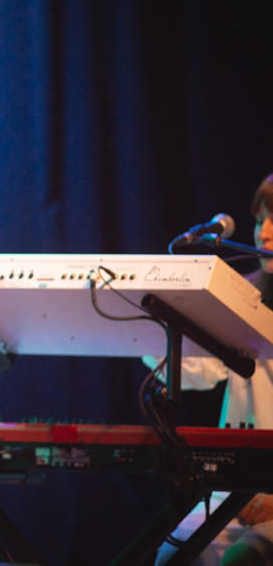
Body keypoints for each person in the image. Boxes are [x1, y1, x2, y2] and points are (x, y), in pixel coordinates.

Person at [149, 171, 273, 566]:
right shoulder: (245, 299)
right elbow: (198, 371)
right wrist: (156, 327)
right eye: (259, 220)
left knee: (243, 559)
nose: (263, 234)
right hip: (237, 482)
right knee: (172, 553)